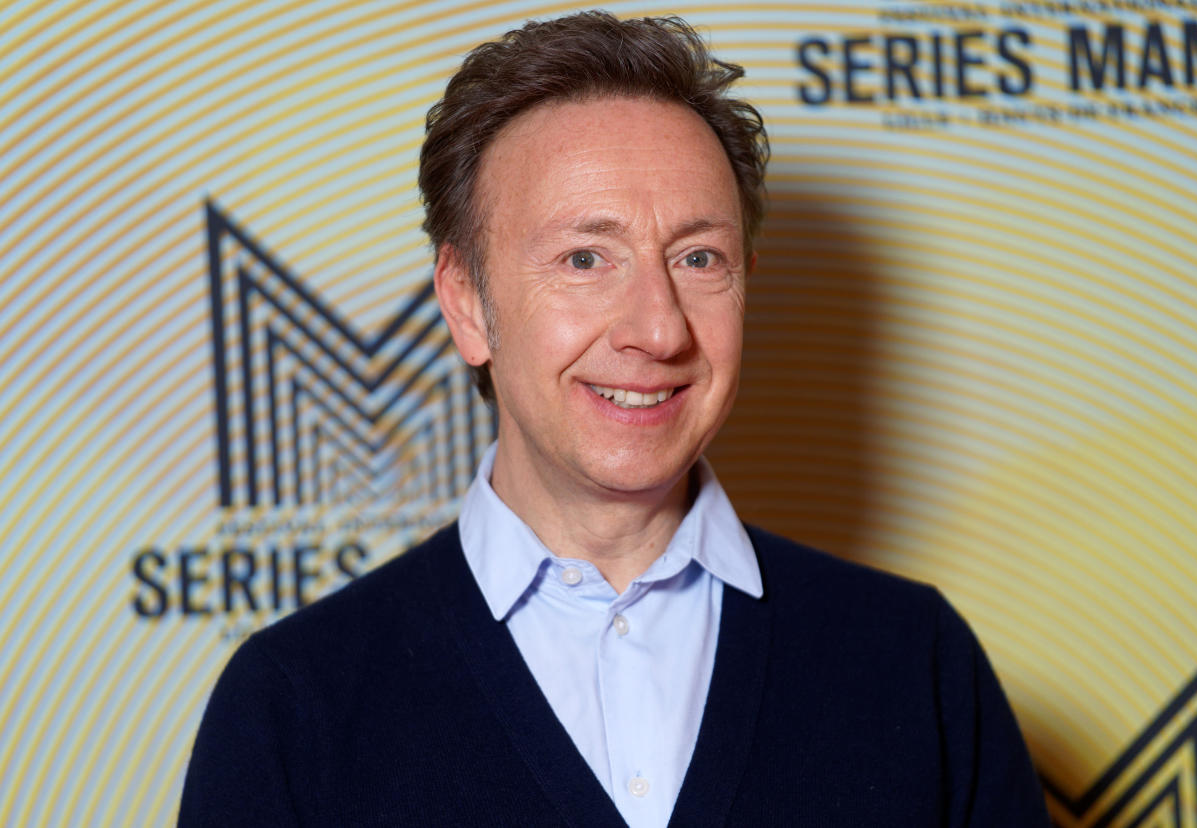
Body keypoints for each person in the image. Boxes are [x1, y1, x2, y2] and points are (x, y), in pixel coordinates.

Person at [179, 11, 1050, 827]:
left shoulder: (915, 666)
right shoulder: (295, 704)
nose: (659, 328)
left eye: (698, 257)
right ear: (467, 303)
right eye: (586, 257)